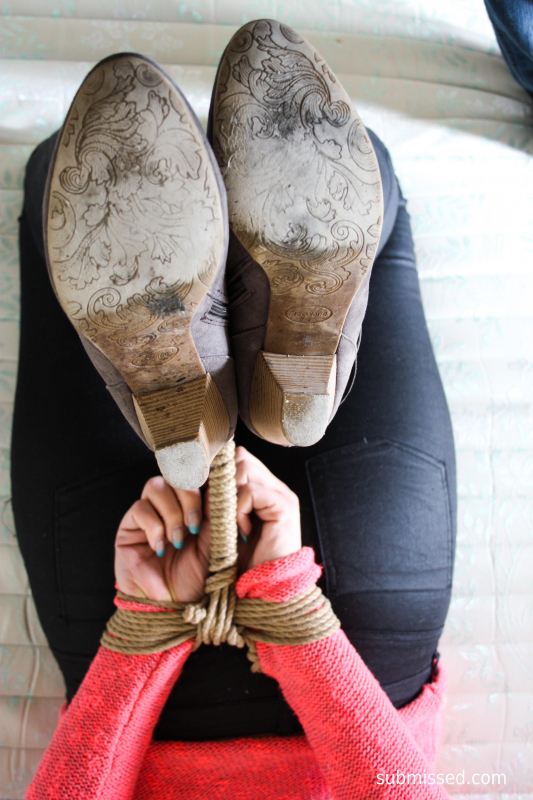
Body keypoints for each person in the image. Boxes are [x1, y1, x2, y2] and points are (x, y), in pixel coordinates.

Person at [12, 20, 456, 800]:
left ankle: (243, 372)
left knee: (365, 179)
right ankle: (245, 366)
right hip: (153, 675)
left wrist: (288, 609)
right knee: (70, 171)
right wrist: (148, 629)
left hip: (356, 655)